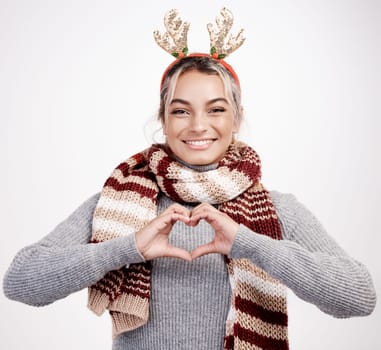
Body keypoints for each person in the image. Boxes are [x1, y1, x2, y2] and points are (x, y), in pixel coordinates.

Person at [2, 8, 376, 350]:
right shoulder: (121, 200)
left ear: (236, 119)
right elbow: (19, 282)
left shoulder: (279, 210)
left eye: (216, 109)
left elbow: (360, 297)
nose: (199, 125)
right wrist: (127, 248)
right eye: (181, 111)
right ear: (163, 120)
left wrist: (251, 244)